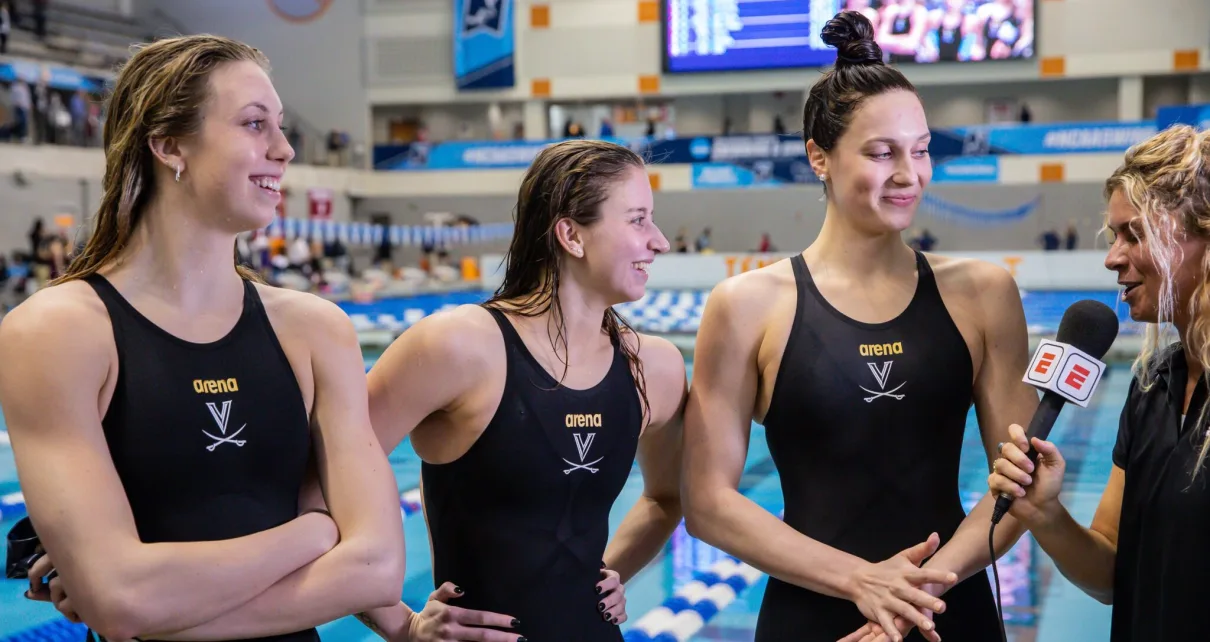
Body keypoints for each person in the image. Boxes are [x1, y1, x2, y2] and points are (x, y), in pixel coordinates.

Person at [0, 35, 405, 641]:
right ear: (167, 145)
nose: (285, 148)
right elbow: (121, 596)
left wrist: (163, 609)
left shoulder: (314, 330)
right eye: (253, 124)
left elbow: (376, 569)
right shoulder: (58, 331)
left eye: (281, 126)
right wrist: (315, 533)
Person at [680, 11, 1040, 642]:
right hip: (813, 617)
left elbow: (1020, 483)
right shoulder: (747, 305)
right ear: (818, 156)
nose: (909, 174)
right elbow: (709, 502)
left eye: (921, 150)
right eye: (882, 153)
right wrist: (860, 581)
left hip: (946, 610)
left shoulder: (984, 295)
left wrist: (914, 591)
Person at [357, 139, 687, 642]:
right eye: (638, 220)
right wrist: (402, 627)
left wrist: (605, 577)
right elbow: (318, 486)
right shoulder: (458, 347)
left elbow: (666, 497)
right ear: (571, 236)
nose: (660, 242)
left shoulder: (654, 368)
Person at [989, 124, 1210, 642]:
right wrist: (1045, 513)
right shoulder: (1152, 387)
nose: (1112, 257)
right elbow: (1111, 573)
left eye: (1135, 234)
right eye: (1114, 236)